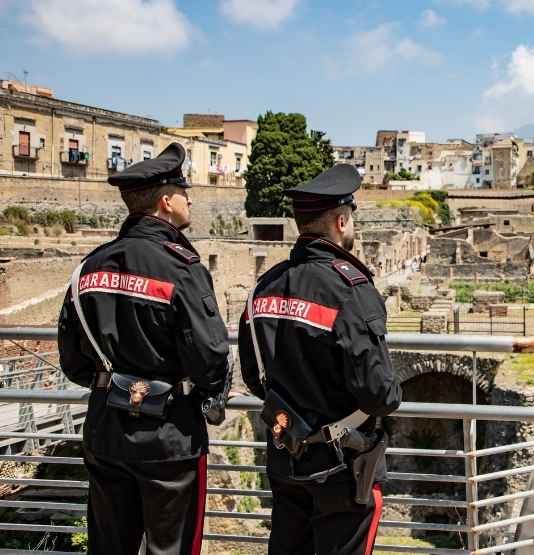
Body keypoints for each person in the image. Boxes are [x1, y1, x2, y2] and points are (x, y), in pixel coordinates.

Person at [57, 143, 231, 555]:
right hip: (169, 437)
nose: (191, 200)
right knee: (169, 549)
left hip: (105, 427)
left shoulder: (90, 266)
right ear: (166, 201)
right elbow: (210, 357)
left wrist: (116, 384)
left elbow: (72, 359)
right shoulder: (181, 268)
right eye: (185, 192)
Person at [238, 164, 402, 555]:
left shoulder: (265, 286)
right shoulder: (351, 289)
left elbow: (253, 375)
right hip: (343, 467)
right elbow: (380, 394)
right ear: (341, 221)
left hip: (285, 456)